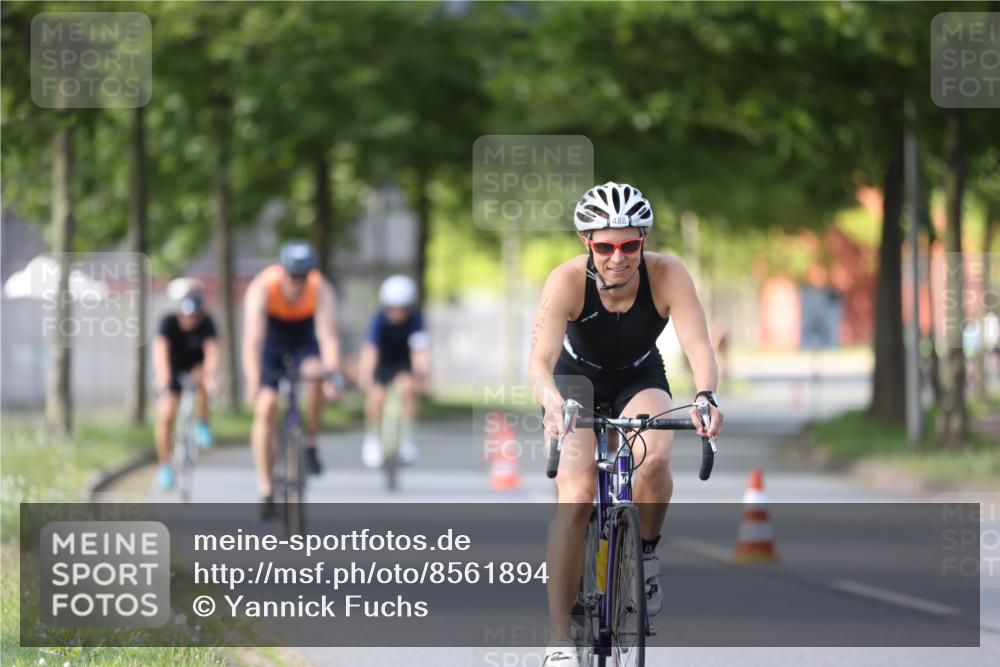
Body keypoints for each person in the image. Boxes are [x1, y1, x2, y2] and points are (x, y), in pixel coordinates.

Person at [527, 182, 725, 664]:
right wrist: (552, 402)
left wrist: (705, 396)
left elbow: (699, 345)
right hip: (574, 381)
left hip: (638, 375)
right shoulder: (566, 281)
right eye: (605, 245)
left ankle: (647, 557)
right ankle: (559, 639)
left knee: (654, 457)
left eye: (629, 244)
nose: (618, 257)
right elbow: (541, 357)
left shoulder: (667, 273)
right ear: (586, 243)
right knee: (575, 497)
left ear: (644, 239)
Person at [241, 241, 342, 519]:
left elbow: (328, 335)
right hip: (271, 340)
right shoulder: (263, 288)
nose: (298, 282)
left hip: (303, 337)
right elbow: (252, 340)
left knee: (315, 376)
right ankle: (266, 486)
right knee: (267, 406)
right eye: (293, 275)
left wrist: (332, 374)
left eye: (304, 276)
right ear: (282, 271)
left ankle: (310, 442)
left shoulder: (320, 288)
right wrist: (253, 379)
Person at [358, 274, 430, 468]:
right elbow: (371, 350)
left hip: (403, 363)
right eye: (393, 307)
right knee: (376, 396)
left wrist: (421, 376)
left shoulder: (416, 320)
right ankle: (372, 438)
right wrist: (365, 375)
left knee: (407, 387)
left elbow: (419, 351)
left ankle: (406, 438)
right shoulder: (378, 320)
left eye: (403, 308)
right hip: (382, 362)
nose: (398, 313)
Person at [153, 287, 219, 490]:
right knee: (165, 415)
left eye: (194, 316)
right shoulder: (168, 323)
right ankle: (165, 465)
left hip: (196, 368)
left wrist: (211, 377)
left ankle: (203, 423)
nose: (189, 320)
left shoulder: (207, 324)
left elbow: (212, 352)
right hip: (173, 369)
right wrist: (163, 377)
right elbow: (160, 351)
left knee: (204, 383)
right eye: (186, 315)